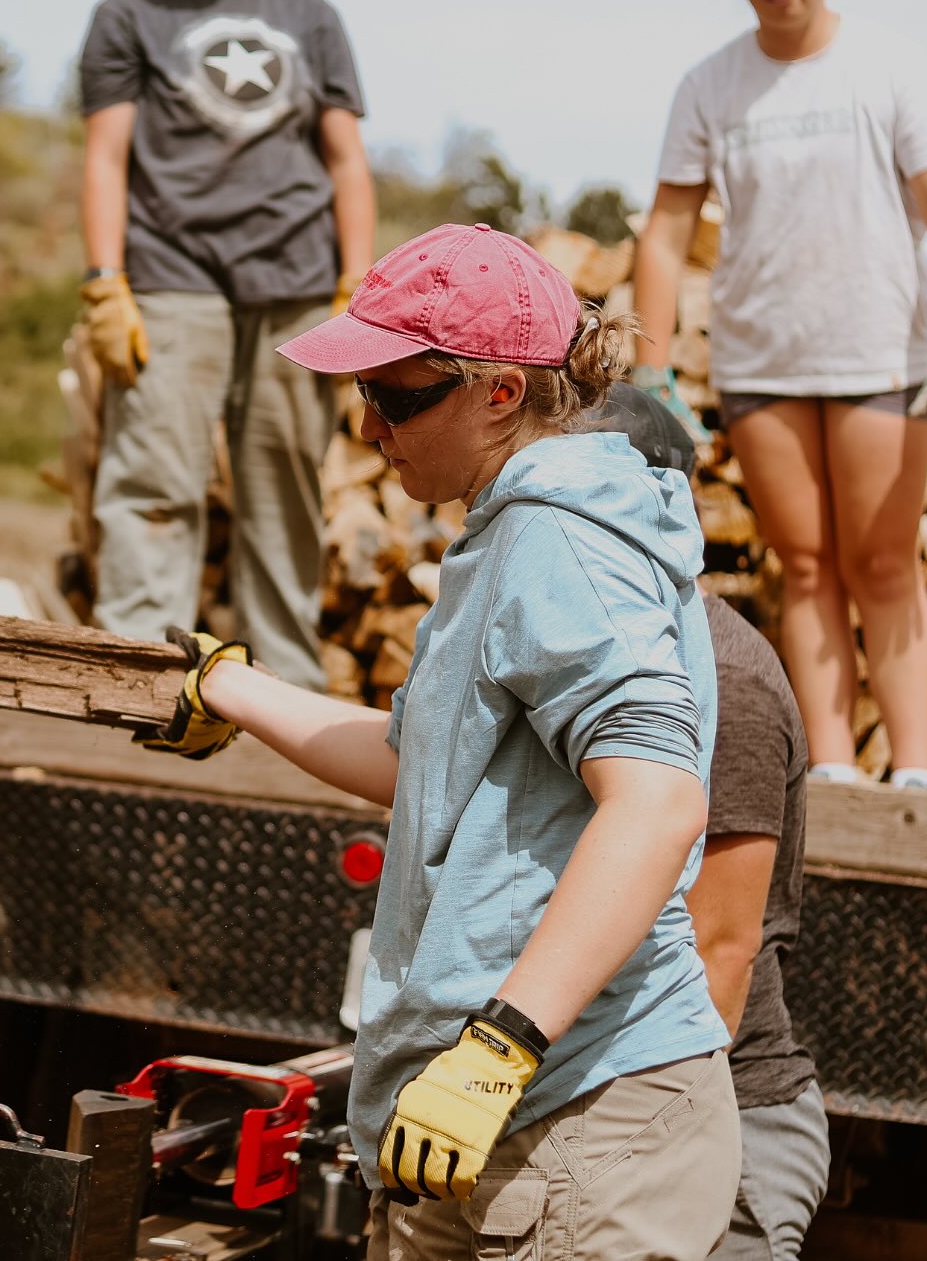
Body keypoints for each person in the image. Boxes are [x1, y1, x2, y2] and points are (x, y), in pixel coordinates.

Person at [142, 223, 741, 1260]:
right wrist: (232, 688)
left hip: (581, 1117)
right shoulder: (508, 530)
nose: (368, 428)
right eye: (359, 394)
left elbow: (658, 800)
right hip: (494, 1121)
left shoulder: (560, 539)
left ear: (500, 393)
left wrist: (501, 1045)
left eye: (396, 396)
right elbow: (418, 758)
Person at [633, 0, 927, 790]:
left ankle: (915, 775)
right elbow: (664, 233)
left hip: (879, 356)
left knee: (881, 561)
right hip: (763, 362)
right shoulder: (710, 85)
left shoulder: (892, 67)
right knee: (802, 567)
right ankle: (832, 773)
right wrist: (650, 368)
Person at [78, 0, 374, 688]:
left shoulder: (311, 15)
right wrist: (106, 282)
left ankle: (287, 685)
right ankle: (137, 676)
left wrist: (356, 281)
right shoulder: (127, 13)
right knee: (153, 474)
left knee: (285, 480)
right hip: (171, 275)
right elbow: (106, 159)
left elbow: (345, 160)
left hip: (300, 281)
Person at [592, 385, 830, 1259]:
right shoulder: (615, 648)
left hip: (718, 1119)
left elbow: (717, 952)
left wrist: (621, 1150)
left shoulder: (721, 681)